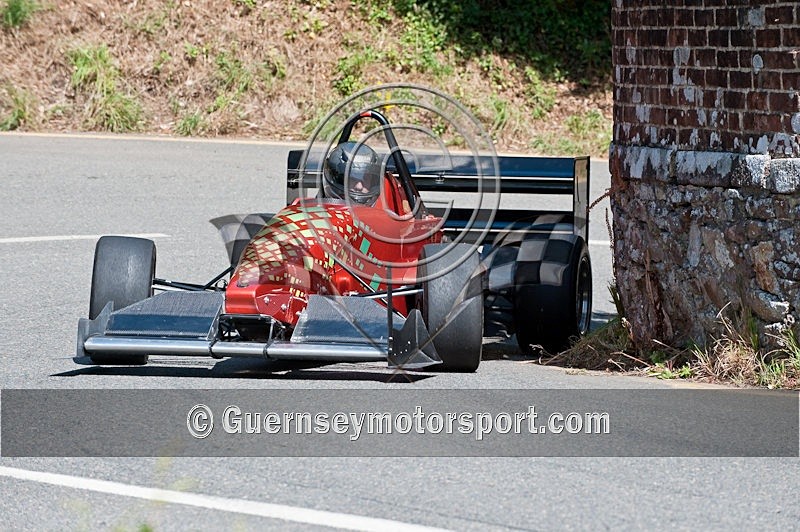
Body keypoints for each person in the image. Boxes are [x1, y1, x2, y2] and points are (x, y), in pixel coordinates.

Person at [322, 141, 382, 206]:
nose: (359, 187)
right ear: (340, 180)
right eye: (353, 178)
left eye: (366, 179)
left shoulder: (383, 214)